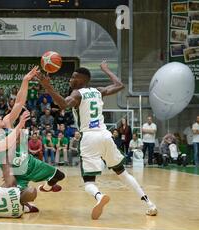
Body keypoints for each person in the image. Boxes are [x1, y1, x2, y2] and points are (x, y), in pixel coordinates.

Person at [38, 61, 158, 219]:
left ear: (81, 80)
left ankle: (99, 197)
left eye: (73, 77)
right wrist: (106, 69)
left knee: (88, 182)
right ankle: (149, 204)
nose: (70, 80)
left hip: (89, 137)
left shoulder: (77, 94)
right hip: (105, 136)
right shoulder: (98, 91)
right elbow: (119, 84)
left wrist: (48, 86)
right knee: (122, 173)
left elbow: (63, 105)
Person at [0, 67, 65, 195]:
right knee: (27, 197)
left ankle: (46, 187)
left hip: (31, 162)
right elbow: (5, 144)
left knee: (59, 175)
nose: (0, 117)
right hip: (17, 173)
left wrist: (25, 81)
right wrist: (19, 125)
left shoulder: (7, 121)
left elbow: (19, 102)